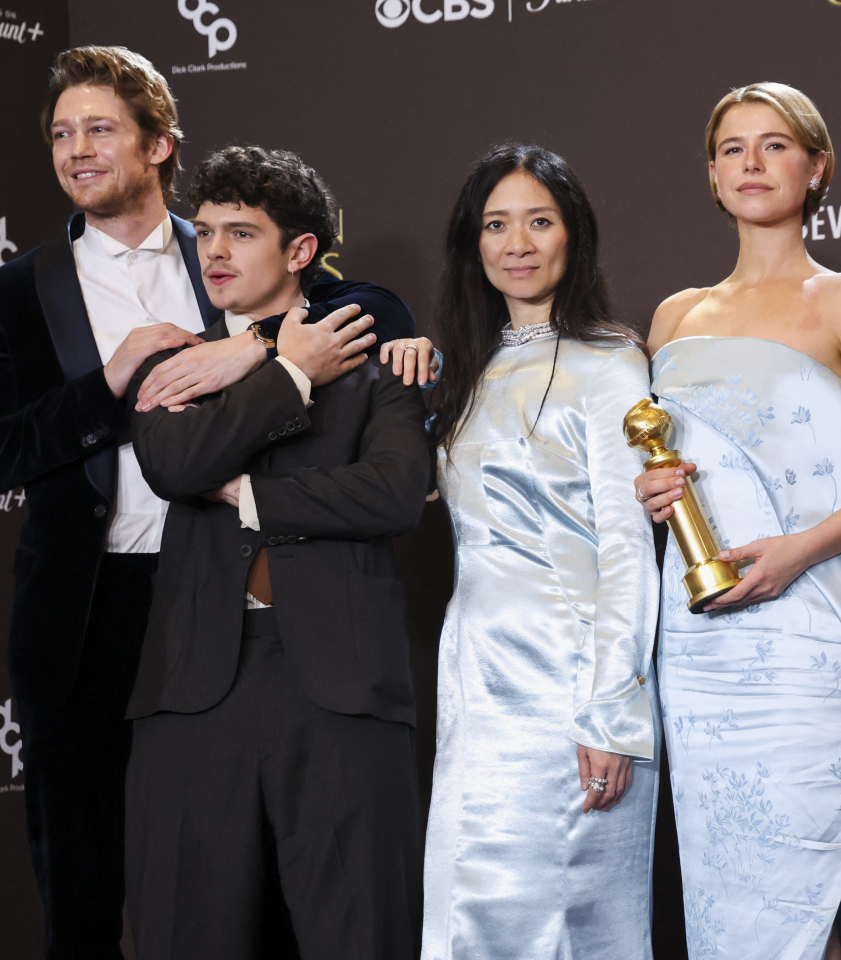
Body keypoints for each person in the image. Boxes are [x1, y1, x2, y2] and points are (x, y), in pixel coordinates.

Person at [0, 46, 402, 959]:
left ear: (158, 145)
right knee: (85, 885)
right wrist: (109, 382)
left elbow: (374, 307)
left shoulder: (222, 247)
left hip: (216, 598)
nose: (76, 150)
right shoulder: (17, 290)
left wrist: (251, 344)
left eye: (100, 128)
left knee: (238, 881)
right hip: (86, 613)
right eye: (61, 134)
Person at [634, 82, 841, 960]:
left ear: (816, 168)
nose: (752, 164)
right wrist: (651, 497)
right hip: (701, 646)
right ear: (714, 177)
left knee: (812, 896)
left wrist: (796, 554)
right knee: (735, 905)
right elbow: (670, 473)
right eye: (733, 149)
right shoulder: (673, 317)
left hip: (816, 630)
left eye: (774, 145)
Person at [122, 146, 433, 959]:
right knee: (184, 932)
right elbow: (177, 465)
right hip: (194, 686)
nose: (215, 252)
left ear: (301, 251)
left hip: (342, 684)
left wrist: (253, 497)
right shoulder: (170, 362)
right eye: (209, 233)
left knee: (362, 931)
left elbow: (394, 494)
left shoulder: (379, 365)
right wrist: (288, 369)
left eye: (242, 234)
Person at [384, 143, 661, 960]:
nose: (518, 243)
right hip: (476, 693)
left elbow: (627, 549)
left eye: (539, 221)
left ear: (573, 235)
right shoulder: (461, 374)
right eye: (497, 224)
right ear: (474, 243)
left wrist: (611, 713)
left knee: (576, 925)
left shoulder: (611, 362)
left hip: (572, 694)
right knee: (472, 920)